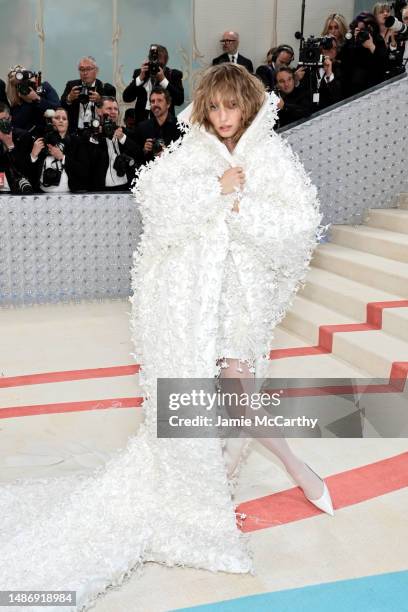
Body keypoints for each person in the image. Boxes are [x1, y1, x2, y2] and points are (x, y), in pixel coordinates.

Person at [0, 63, 333, 611]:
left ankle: (282, 469)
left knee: (235, 388)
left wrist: (241, 206)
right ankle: (285, 471)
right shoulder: (194, 155)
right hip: (195, 301)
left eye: (233, 107)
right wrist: (214, 189)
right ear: (204, 109)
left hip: (240, 299)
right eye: (216, 108)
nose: (225, 119)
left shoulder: (269, 156)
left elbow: (298, 224)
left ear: (249, 106)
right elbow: (154, 201)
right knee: (231, 392)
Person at [27, 107, 89, 192]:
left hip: (70, 194)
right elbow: (29, 173)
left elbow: (84, 171)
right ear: (50, 121)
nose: (61, 121)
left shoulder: (77, 142)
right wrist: (33, 155)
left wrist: (62, 157)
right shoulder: (40, 141)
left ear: (68, 123)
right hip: (42, 194)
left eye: (64, 119)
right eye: (57, 118)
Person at [87, 96, 139, 191]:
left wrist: (123, 138)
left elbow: (138, 154)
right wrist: (97, 137)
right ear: (99, 111)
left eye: (115, 109)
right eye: (109, 108)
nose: (113, 111)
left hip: (125, 187)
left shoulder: (126, 133)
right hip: (100, 189)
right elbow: (89, 162)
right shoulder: (90, 134)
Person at [123, 44, 184, 123]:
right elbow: (126, 97)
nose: (156, 65)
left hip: (165, 126)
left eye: (160, 64)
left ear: (165, 61)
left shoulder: (173, 75)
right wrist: (140, 78)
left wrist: (163, 81)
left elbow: (179, 100)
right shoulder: (141, 73)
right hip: (141, 124)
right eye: (154, 61)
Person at [60, 56, 117, 135]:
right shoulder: (72, 86)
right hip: (75, 133)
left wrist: (100, 101)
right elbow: (61, 106)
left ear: (96, 71)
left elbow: (113, 113)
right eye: (82, 69)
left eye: (88, 69)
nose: (85, 73)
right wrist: (69, 98)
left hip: (98, 133)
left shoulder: (107, 89)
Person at [339, 12, 389, 98]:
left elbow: (383, 65)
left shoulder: (378, 40)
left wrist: (371, 46)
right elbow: (343, 62)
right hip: (351, 91)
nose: (363, 33)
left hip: (372, 89)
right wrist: (353, 42)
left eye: (365, 29)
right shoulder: (351, 42)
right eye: (360, 30)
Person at [133, 87, 181, 165]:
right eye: (152, 101)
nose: (155, 104)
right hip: (150, 174)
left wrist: (168, 152)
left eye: (159, 100)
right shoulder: (142, 127)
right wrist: (144, 150)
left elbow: (186, 155)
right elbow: (136, 158)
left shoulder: (179, 126)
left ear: (168, 104)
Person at [6, 65, 60, 132]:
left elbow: (58, 108)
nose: (26, 86)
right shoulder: (15, 105)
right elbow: (18, 125)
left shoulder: (44, 88)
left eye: (27, 81)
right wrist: (28, 102)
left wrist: (37, 99)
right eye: (20, 85)